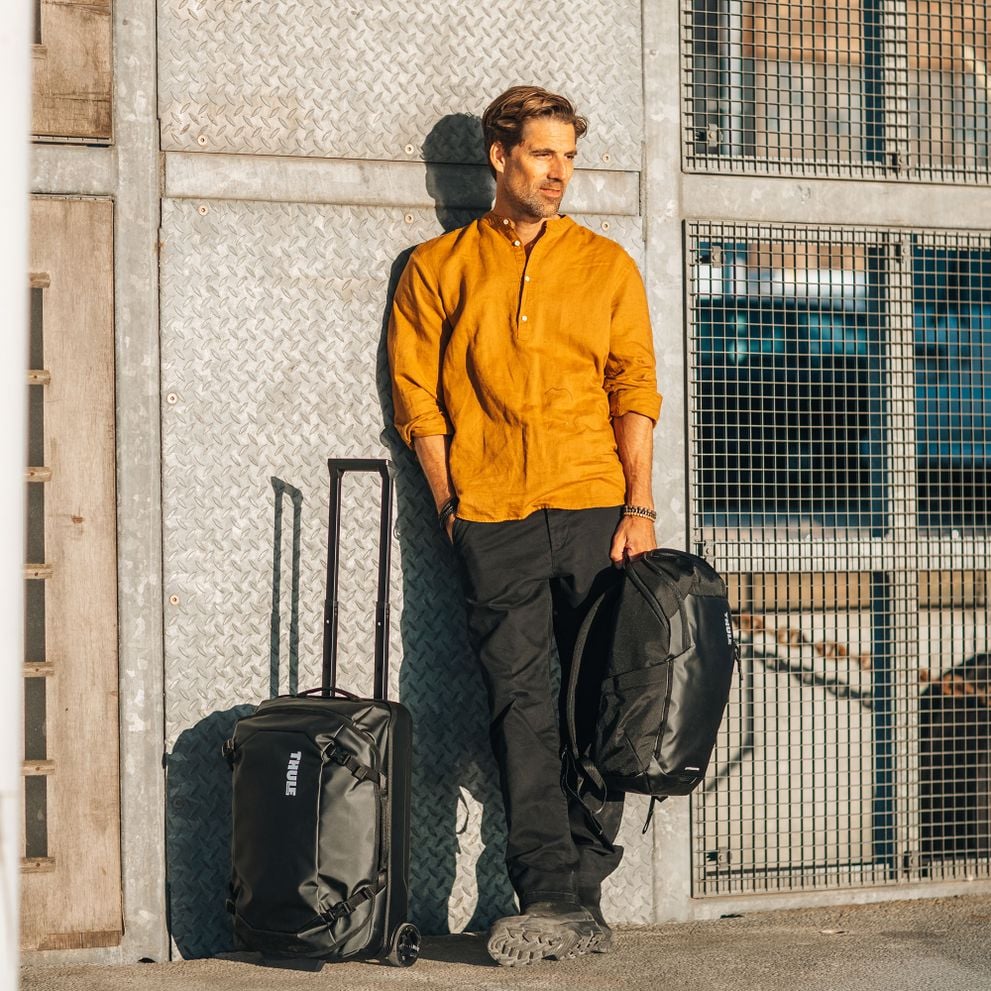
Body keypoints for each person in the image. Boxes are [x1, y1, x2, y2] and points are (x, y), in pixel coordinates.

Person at [388, 85, 661, 966]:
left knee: (602, 702)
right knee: (519, 707)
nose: (558, 173)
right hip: (493, 513)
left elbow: (633, 387)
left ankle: (583, 886)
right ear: (498, 156)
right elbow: (417, 400)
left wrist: (638, 504)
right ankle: (547, 892)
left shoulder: (606, 265)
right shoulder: (437, 267)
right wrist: (450, 506)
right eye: (543, 154)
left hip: (594, 508)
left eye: (568, 157)